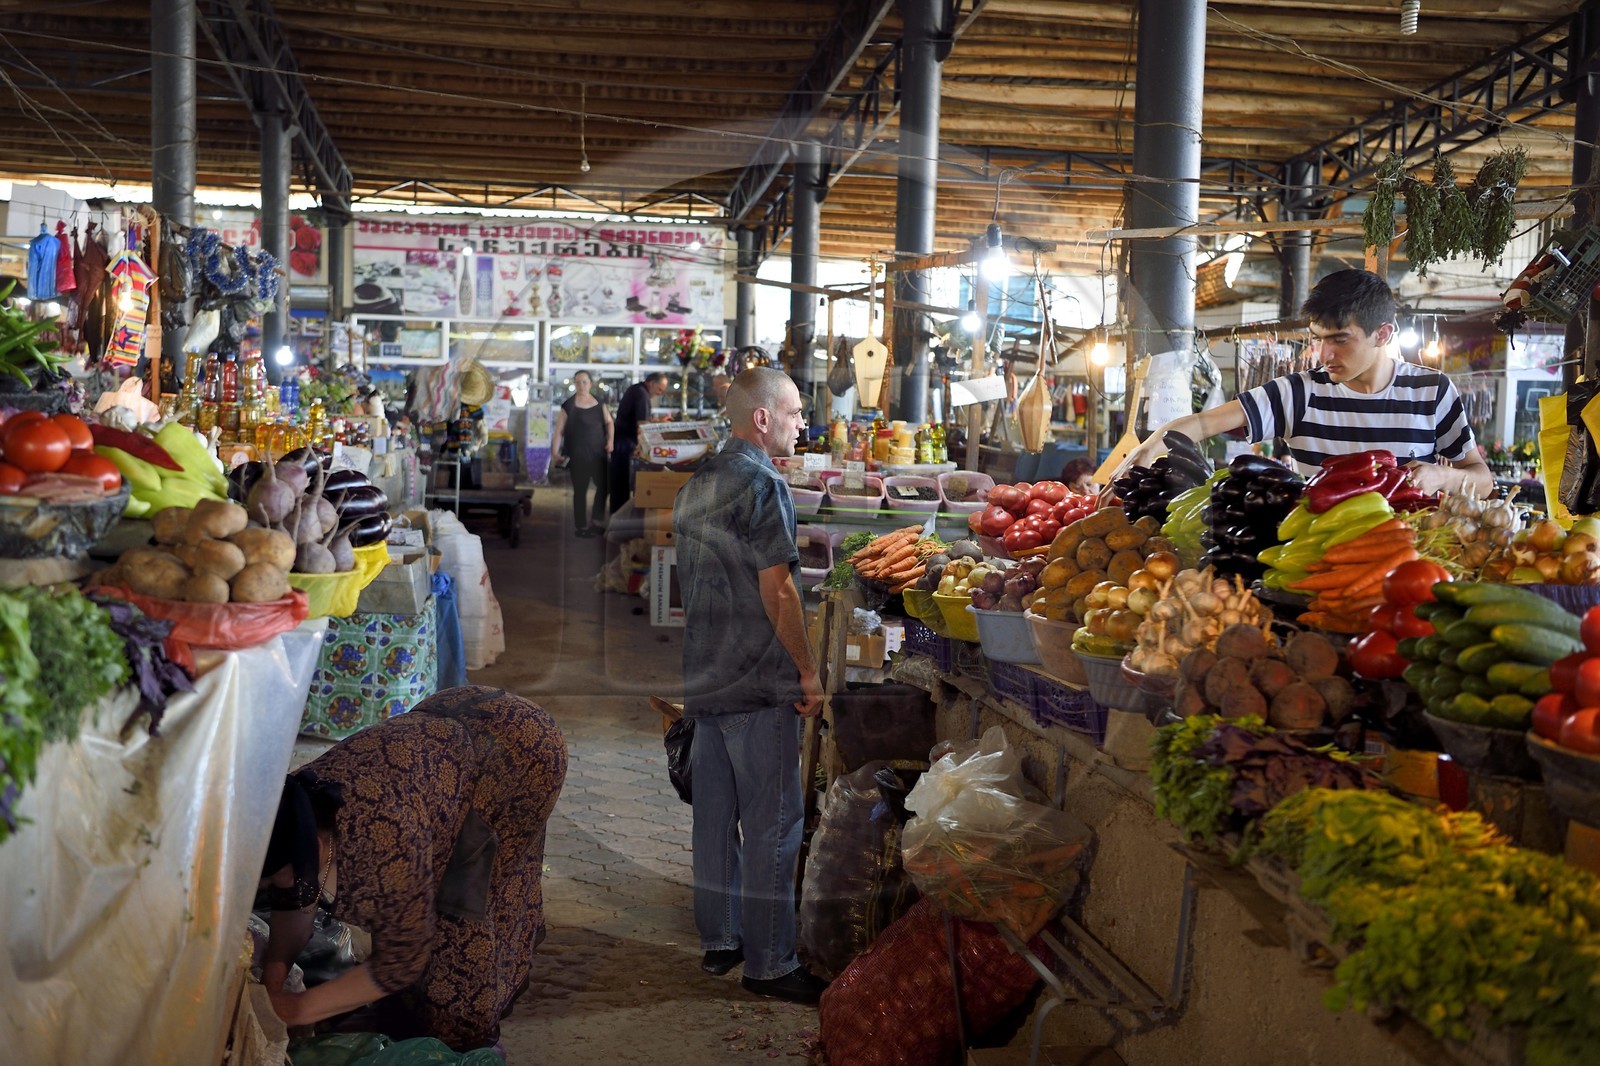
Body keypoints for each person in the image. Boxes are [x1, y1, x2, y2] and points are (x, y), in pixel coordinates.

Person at [258, 686, 568, 1051]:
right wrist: (273, 980)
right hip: (446, 729)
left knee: (466, 914)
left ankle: (473, 1026)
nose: (285, 887)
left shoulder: (384, 835)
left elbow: (401, 962)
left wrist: (294, 1010)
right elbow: (293, 900)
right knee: (419, 911)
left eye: (283, 876)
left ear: (316, 847)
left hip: (518, 750)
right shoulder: (295, 808)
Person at [671, 366, 827, 1006]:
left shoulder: (699, 479)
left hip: (706, 674)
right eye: (792, 413)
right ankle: (770, 963)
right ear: (761, 418)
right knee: (774, 823)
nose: (801, 424)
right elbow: (778, 588)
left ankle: (723, 940)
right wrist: (808, 668)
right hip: (758, 679)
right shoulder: (763, 483)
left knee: (714, 817)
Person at [1119, 269, 1492, 496]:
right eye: (1318, 339)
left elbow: (1482, 479)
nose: (1324, 355)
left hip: (1410, 565)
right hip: (1316, 560)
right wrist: (1152, 444)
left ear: (1382, 334)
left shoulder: (1432, 391)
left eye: (1340, 340)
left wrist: (1442, 475)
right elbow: (1204, 422)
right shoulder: (1299, 393)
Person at [550, 370, 613, 537]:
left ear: (590, 383)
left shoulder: (599, 404)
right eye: (578, 382)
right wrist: (555, 453)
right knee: (580, 491)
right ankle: (581, 526)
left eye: (584, 382)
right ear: (574, 384)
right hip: (577, 456)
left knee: (604, 486)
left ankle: (596, 520)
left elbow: (609, 423)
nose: (581, 385)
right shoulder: (568, 405)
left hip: (598, 455)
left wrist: (611, 441)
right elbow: (559, 431)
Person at [609, 371, 669, 514]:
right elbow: (642, 425)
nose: (660, 393)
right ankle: (619, 516)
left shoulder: (636, 390)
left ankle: (616, 515)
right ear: (651, 383)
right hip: (625, 443)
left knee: (619, 482)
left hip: (621, 440)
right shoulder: (641, 394)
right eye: (660, 389)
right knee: (622, 482)